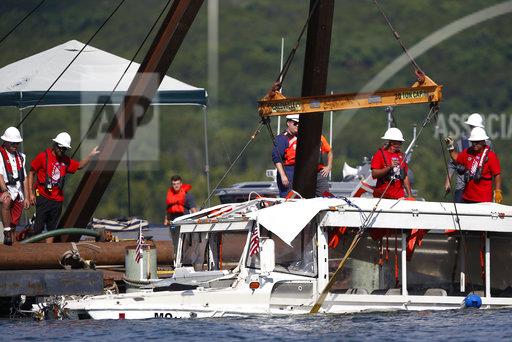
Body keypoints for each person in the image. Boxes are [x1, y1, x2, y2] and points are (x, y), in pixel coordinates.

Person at [28, 132, 99, 240]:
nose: (62, 151)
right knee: (38, 228)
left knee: (52, 230)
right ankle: (34, 250)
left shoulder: (65, 160)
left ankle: (48, 253)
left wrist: (91, 155)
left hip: (57, 200)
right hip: (43, 197)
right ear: (55, 145)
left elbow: (79, 166)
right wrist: (31, 194)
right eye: (61, 148)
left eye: (65, 149)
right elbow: (32, 172)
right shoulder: (43, 157)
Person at [445, 127, 502, 203]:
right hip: (467, 198)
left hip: (483, 200)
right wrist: (451, 147)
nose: (474, 144)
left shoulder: (491, 156)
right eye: (473, 142)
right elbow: (457, 158)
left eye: (477, 142)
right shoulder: (468, 151)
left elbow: (497, 175)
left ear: (483, 141)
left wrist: (498, 191)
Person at [444, 113, 491, 202]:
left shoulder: (487, 144)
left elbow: (492, 166)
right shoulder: (461, 142)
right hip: (462, 184)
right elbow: (453, 162)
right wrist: (448, 180)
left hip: (480, 185)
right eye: (471, 126)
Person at [0, 127, 30, 245]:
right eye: (13, 143)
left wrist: (27, 196)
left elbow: (25, 178)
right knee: (6, 201)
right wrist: (5, 190)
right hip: (4, 188)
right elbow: (0, 176)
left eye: (17, 143)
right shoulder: (0, 155)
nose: (15, 145)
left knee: (15, 219)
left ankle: (12, 238)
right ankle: (6, 232)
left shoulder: (21, 156)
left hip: (18, 190)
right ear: (6, 142)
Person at [371, 127, 413, 199]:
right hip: (382, 197)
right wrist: (389, 167)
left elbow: (405, 176)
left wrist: (410, 196)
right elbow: (374, 174)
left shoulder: (401, 156)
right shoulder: (379, 154)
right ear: (392, 142)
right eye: (399, 141)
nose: (401, 143)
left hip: (398, 197)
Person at [272, 115, 299, 197]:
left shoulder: (299, 137)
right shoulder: (282, 138)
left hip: (298, 169)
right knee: (288, 196)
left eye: (299, 123)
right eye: (295, 123)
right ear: (288, 123)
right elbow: (277, 158)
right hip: (287, 170)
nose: (297, 125)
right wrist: (283, 176)